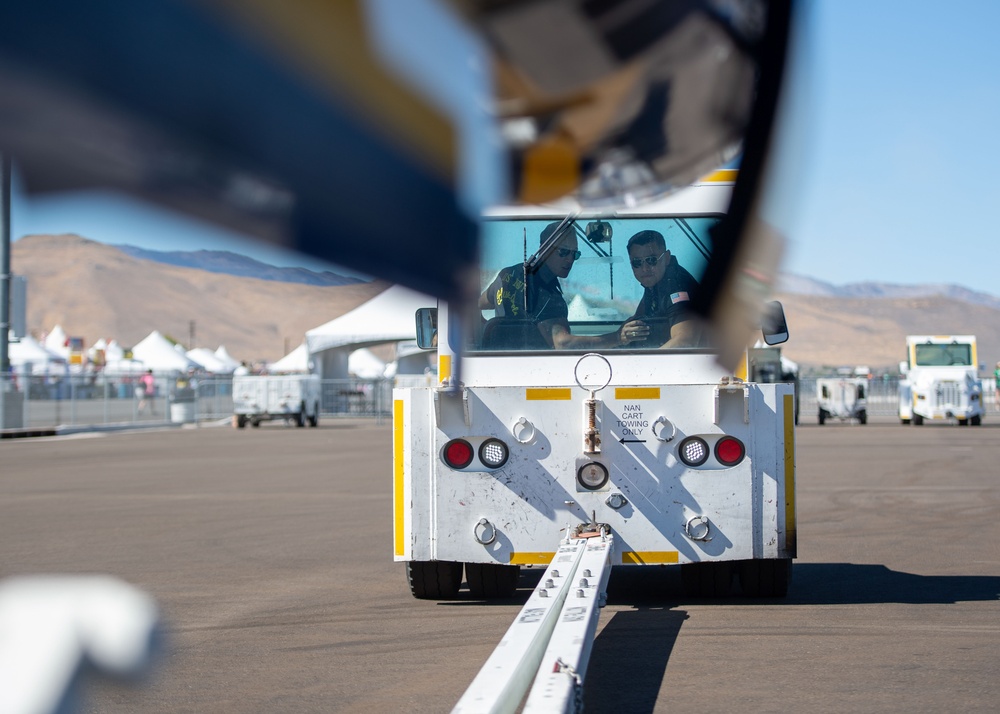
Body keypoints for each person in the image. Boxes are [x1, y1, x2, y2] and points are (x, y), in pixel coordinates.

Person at [479, 221, 646, 349]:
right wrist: (617, 338)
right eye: (563, 252)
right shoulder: (548, 295)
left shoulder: (507, 275)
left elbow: (477, 303)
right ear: (543, 248)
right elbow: (562, 343)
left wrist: (484, 333)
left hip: (499, 364)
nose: (569, 259)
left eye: (575, 254)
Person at [619, 229, 701, 348]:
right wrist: (623, 334)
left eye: (652, 260)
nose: (645, 268)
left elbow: (686, 340)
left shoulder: (676, 286)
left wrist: (647, 364)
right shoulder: (655, 281)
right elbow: (639, 318)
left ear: (666, 258)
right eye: (637, 263)